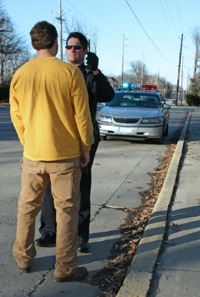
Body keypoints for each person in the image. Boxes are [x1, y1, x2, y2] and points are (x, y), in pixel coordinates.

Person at [10, 21, 93, 282]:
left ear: (34, 43)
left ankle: (23, 257)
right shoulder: (70, 73)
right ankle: (65, 267)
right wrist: (86, 146)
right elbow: (82, 116)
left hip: (33, 154)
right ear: (56, 42)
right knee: (66, 211)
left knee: (27, 207)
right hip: (65, 156)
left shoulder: (21, 75)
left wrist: (29, 140)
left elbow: (17, 116)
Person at [35, 32, 115, 252]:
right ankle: (49, 232)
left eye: (78, 47)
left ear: (85, 50)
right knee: (51, 185)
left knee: (81, 185)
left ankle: (81, 236)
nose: (73, 50)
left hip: (84, 138)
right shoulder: (59, 71)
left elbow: (108, 95)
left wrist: (96, 72)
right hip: (58, 137)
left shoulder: (89, 74)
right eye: (69, 47)